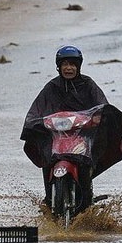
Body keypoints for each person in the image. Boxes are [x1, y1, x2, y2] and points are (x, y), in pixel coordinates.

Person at [22, 45, 109, 206]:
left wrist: (98, 118)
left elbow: (102, 105)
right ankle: (49, 199)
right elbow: (37, 108)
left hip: (82, 135)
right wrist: (35, 121)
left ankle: (86, 200)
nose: (68, 68)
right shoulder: (52, 87)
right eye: (65, 64)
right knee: (47, 159)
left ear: (78, 66)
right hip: (56, 137)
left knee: (85, 163)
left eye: (72, 64)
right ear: (59, 67)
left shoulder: (88, 84)